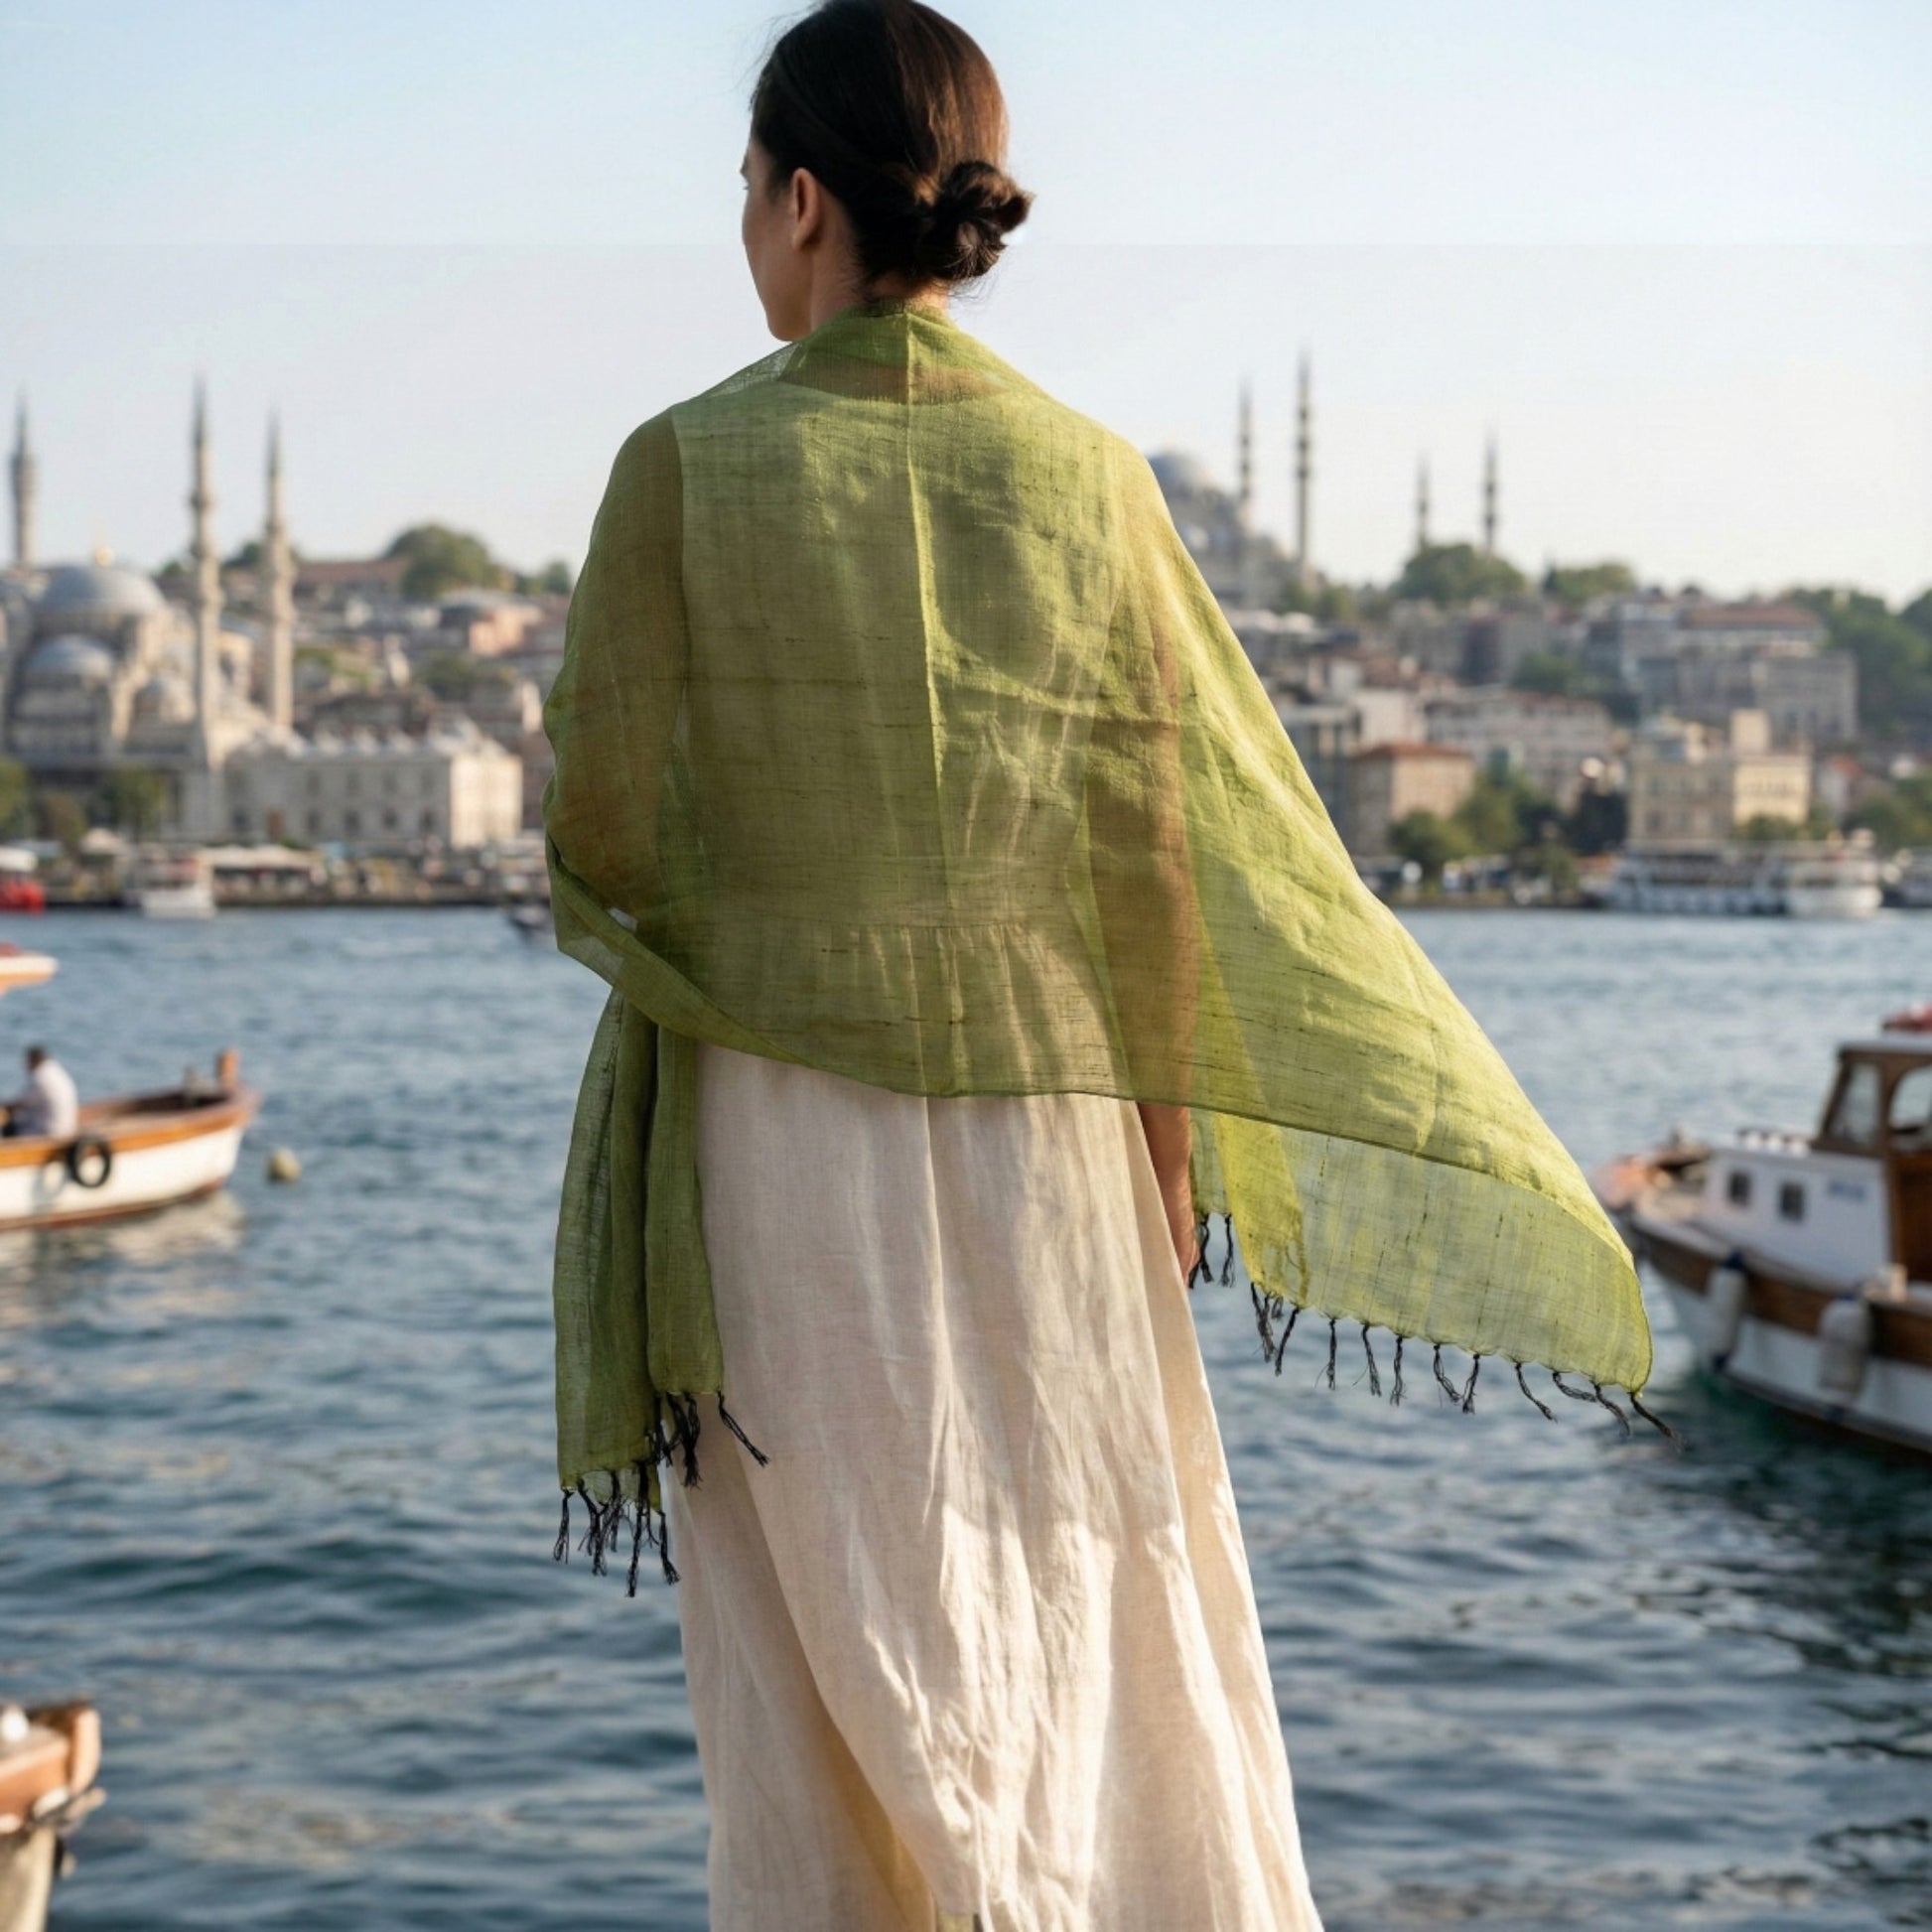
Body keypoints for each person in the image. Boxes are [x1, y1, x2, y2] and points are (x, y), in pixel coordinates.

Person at [541, 4, 1661, 1926]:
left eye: (744, 190)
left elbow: (607, 842)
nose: (743, 229)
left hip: (776, 1145)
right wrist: (1159, 1149)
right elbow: (1161, 853)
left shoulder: (680, 462)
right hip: (1059, 1133)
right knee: (1084, 1592)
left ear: (802, 201)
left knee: (827, 1643)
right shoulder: (1092, 478)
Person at [4, 1044, 77, 1142]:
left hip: (48, 1132)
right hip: (67, 1127)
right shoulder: (56, 1070)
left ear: (32, 1060)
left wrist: (5, 1106)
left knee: (9, 1129)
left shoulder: (39, 1076)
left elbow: (19, 1103)